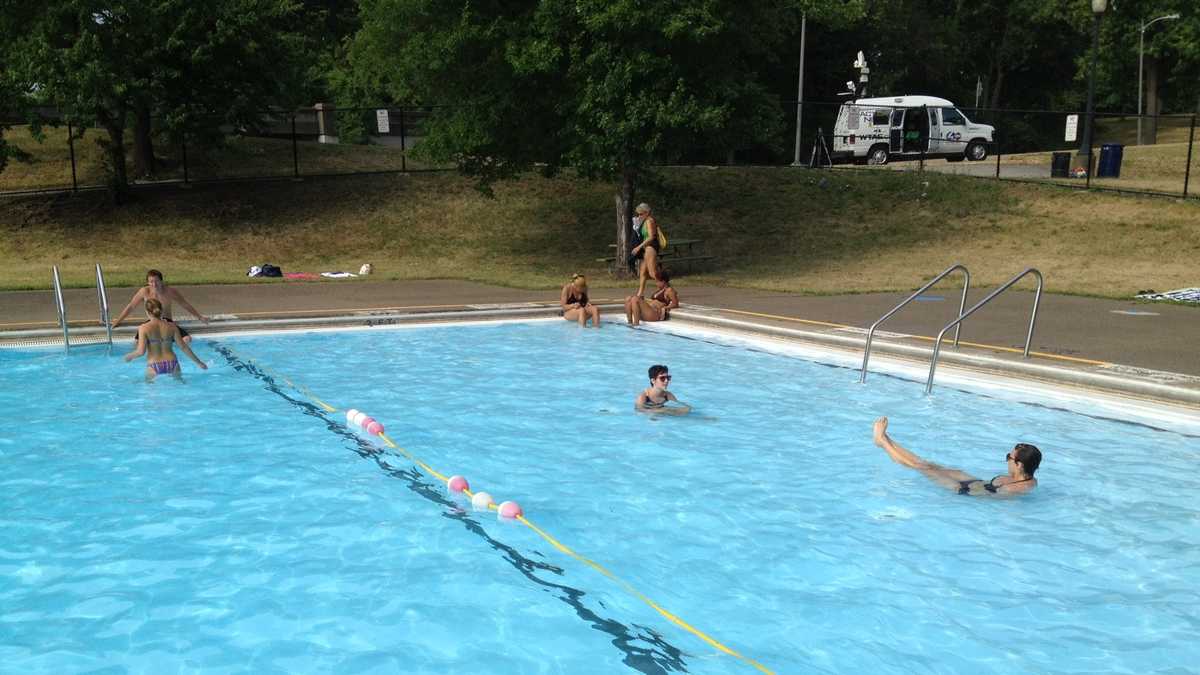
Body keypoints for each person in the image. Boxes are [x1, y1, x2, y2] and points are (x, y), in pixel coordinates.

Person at [872, 417, 1040, 496]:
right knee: (924, 463)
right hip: (974, 481)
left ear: (1019, 464)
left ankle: (883, 441)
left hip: (962, 489)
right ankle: (886, 439)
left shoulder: (1017, 488)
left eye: (1009, 457)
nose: (1007, 461)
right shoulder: (1028, 479)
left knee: (919, 467)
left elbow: (993, 500)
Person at [112, 269, 209, 344]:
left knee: (187, 339)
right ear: (148, 282)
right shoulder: (144, 291)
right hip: (151, 322)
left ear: (161, 281)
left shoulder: (170, 291)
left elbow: (185, 304)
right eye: (151, 282)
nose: (154, 284)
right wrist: (118, 321)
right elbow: (131, 306)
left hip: (167, 322)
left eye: (156, 281)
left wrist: (200, 317)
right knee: (138, 342)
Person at [124, 298, 207, 380]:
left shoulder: (143, 328)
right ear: (161, 310)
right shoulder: (172, 326)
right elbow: (183, 347)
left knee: (149, 390)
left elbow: (141, 352)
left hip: (154, 365)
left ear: (147, 312)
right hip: (172, 363)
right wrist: (199, 363)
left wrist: (129, 357)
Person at [630, 203, 663, 298]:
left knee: (652, 271)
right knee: (643, 272)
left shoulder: (649, 221)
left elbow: (651, 237)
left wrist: (639, 247)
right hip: (646, 247)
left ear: (647, 212)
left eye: (641, 214)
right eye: (638, 214)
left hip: (651, 247)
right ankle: (640, 293)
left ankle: (664, 289)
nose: (639, 216)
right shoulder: (643, 221)